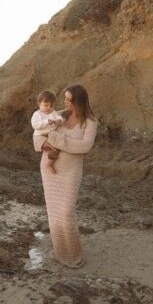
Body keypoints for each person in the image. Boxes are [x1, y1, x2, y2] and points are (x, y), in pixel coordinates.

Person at [34, 84, 98, 268]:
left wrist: (56, 139)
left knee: (67, 211)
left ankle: (74, 257)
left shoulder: (90, 121)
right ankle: (60, 254)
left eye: (69, 100)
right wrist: (43, 144)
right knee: (54, 213)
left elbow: (85, 146)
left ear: (79, 101)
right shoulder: (59, 115)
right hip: (49, 169)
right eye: (65, 99)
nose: (65, 102)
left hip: (71, 171)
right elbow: (37, 133)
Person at [30, 88, 64, 173]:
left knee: (57, 148)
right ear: (39, 104)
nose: (49, 108)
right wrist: (46, 121)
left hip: (50, 135)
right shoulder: (37, 114)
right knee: (51, 148)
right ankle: (49, 165)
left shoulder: (54, 113)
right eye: (46, 105)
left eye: (51, 106)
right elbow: (35, 125)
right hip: (39, 136)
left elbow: (60, 117)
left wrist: (58, 121)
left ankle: (50, 162)